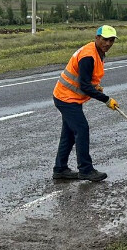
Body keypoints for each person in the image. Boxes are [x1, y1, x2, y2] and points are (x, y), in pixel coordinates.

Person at [51, 25, 119, 181]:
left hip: (69, 97)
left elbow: (86, 79)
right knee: (81, 129)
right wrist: (106, 99)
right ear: (97, 38)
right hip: (66, 98)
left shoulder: (97, 52)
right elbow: (84, 86)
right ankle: (86, 170)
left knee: (68, 134)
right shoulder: (88, 55)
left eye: (111, 40)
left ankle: (60, 169)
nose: (108, 43)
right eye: (105, 40)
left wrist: (95, 87)